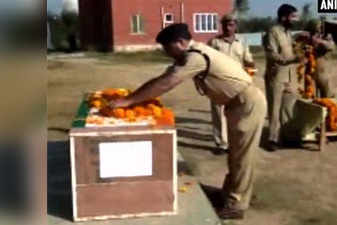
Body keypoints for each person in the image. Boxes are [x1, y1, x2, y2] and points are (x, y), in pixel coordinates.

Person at [109, 23, 266, 219]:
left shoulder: (195, 57)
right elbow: (162, 78)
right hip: (237, 104)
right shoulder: (190, 54)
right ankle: (228, 194)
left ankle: (236, 205)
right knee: (235, 154)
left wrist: (129, 101)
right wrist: (132, 97)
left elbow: (167, 83)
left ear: (181, 42)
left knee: (243, 157)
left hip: (246, 103)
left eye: (168, 48)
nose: (166, 53)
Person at [208, 13, 255, 154]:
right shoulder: (214, 43)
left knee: (238, 113)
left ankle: (235, 141)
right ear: (221, 26)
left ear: (236, 26)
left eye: (231, 25)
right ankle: (222, 144)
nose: (228, 28)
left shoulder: (242, 42)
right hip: (218, 82)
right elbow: (206, 60)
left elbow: (248, 59)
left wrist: (251, 66)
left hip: (237, 82)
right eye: (225, 25)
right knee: (219, 113)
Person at [262, 4, 304, 151]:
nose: (295, 19)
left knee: (289, 108)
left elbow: (291, 47)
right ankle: (273, 139)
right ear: (283, 17)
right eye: (293, 16)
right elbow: (272, 54)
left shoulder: (288, 33)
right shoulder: (273, 32)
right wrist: (292, 60)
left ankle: (289, 138)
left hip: (290, 76)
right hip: (276, 76)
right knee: (275, 109)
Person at [305, 19, 336, 98]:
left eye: (319, 26)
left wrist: (320, 41)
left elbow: (331, 46)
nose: (319, 28)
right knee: (312, 99)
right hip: (311, 74)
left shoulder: (326, 36)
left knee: (328, 99)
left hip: (324, 73)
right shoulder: (307, 37)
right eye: (317, 26)